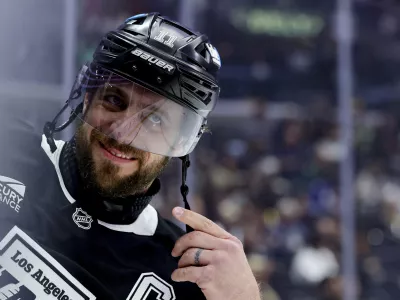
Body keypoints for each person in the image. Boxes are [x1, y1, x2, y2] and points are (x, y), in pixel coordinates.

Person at [0, 12, 261, 300]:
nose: (123, 133)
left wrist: (244, 297)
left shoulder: (184, 276)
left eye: (155, 121)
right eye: (114, 100)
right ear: (87, 98)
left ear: (181, 141)